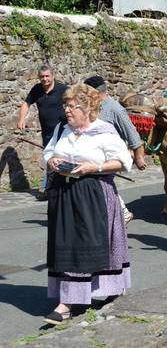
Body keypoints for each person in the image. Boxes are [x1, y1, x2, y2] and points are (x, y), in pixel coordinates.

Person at [42, 84, 133, 325]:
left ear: (89, 109)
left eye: (73, 106)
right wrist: (53, 160)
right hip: (64, 192)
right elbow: (49, 151)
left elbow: (124, 161)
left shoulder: (104, 131)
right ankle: (69, 299)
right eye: (66, 105)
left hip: (94, 193)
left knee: (89, 245)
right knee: (66, 244)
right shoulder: (63, 128)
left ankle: (69, 304)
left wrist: (95, 167)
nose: (68, 110)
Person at [83, 76, 146, 224]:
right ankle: (112, 213)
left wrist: (139, 157)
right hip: (94, 154)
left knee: (100, 183)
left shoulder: (115, 109)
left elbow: (131, 133)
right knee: (97, 184)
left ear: (95, 92)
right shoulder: (92, 107)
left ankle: (122, 211)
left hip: (109, 156)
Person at [17, 66, 69, 199]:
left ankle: (61, 189)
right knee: (49, 159)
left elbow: (75, 102)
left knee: (62, 158)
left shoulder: (63, 89)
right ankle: (51, 190)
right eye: (42, 77)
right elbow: (26, 103)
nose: (45, 79)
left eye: (47, 76)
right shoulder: (37, 89)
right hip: (47, 132)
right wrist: (22, 119)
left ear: (52, 76)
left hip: (63, 131)